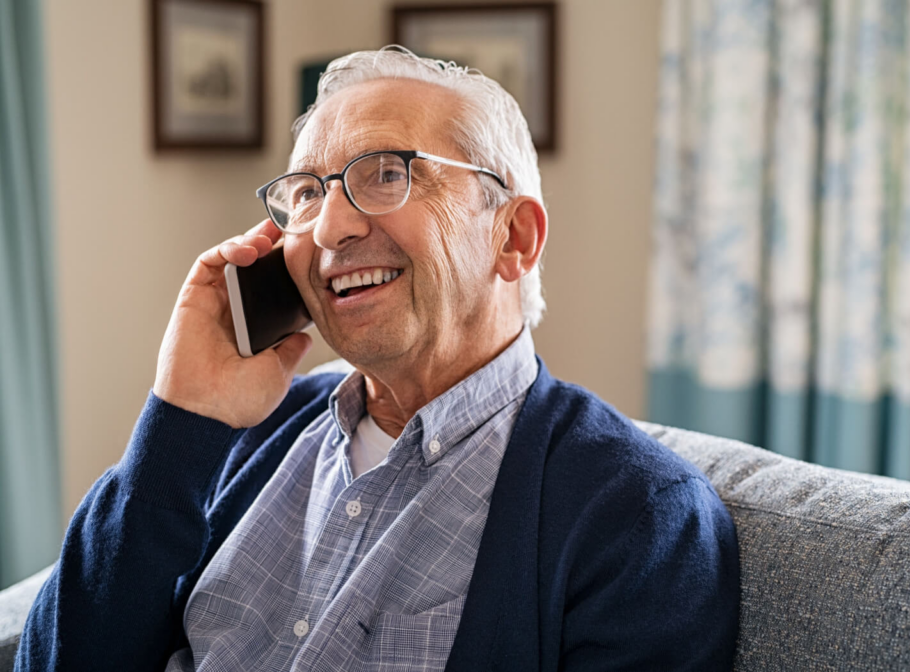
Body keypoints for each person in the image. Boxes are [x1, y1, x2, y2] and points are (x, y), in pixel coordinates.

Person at [16, 47, 739, 671]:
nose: (329, 227)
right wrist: (182, 418)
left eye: (386, 173)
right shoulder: (242, 434)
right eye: (306, 194)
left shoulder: (640, 518)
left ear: (514, 237)